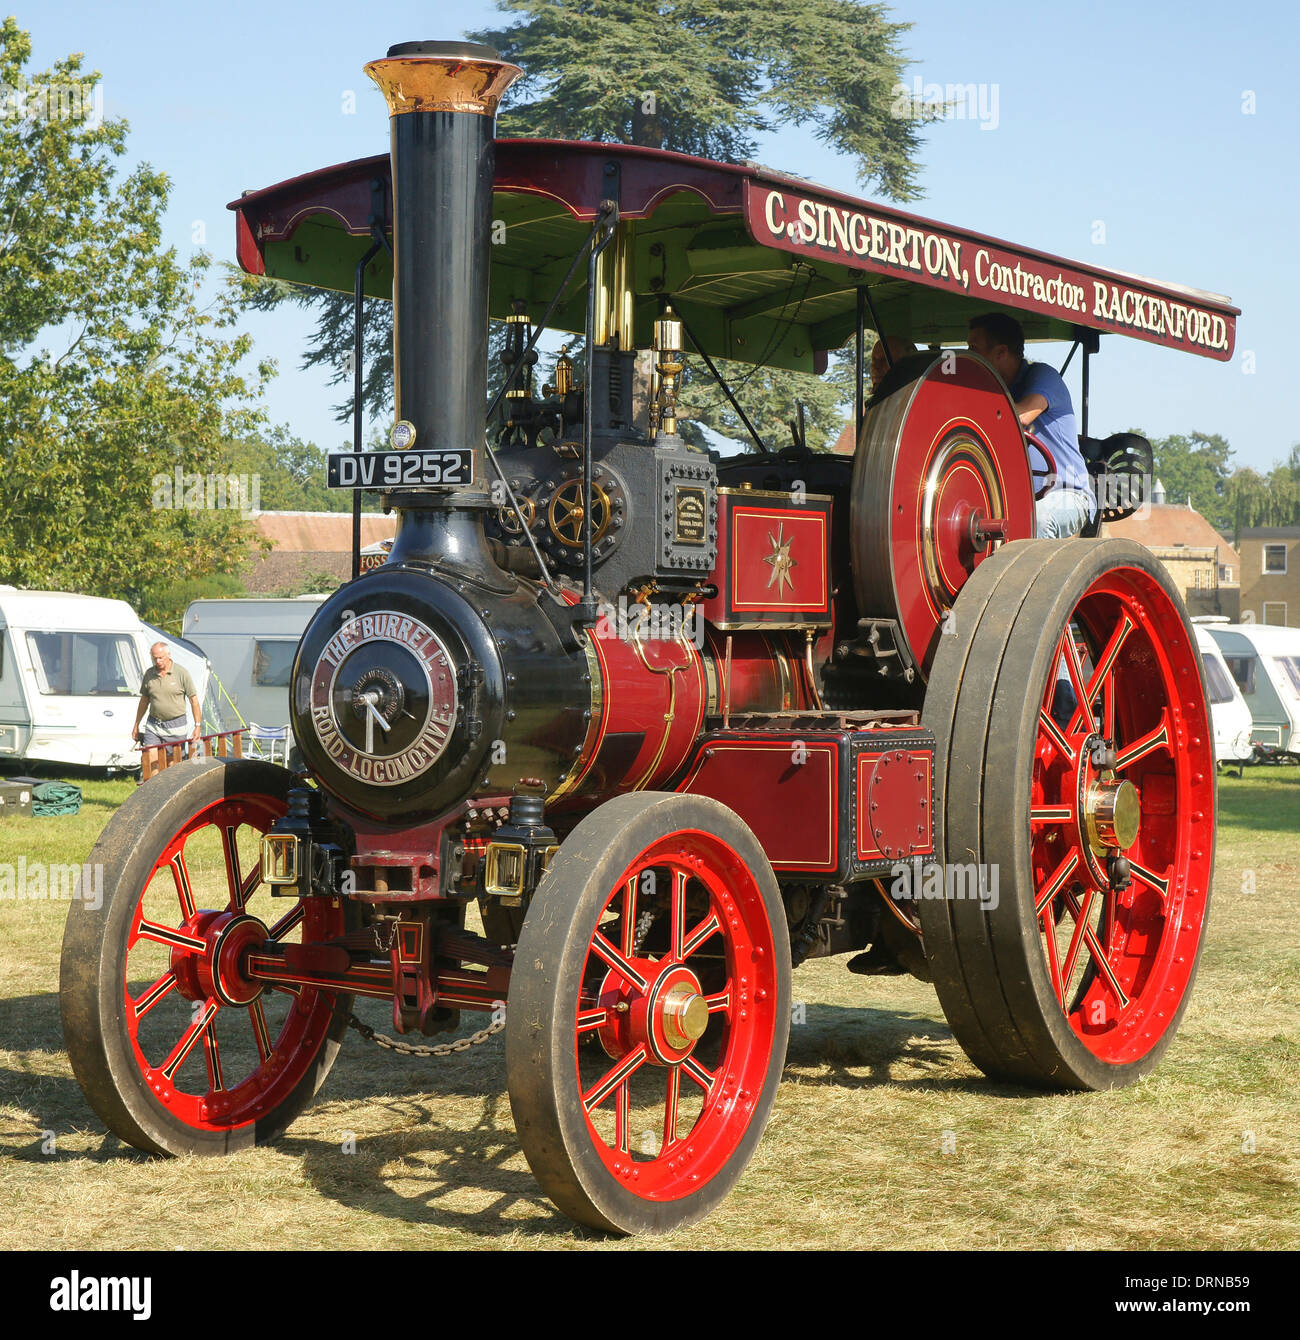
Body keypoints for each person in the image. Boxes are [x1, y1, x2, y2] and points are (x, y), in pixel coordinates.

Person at [967, 313, 1095, 539]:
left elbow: (1021, 416)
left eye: (973, 348)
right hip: (1020, 500)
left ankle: (1034, 575)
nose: (969, 356)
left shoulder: (1043, 376)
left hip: (1067, 496)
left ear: (1001, 353)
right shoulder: (990, 390)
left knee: (1038, 519)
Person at [133, 642, 201, 776]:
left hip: (176, 726)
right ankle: (153, 793)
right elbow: (144, 701)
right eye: (155, 658)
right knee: (151, 761)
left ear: (168, 655)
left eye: (160, 658)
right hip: (154, 725)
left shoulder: (181, 673)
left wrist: (197, 725)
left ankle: (168, 794)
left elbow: (194, 701)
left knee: (172, 767)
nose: (157, 661)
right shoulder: (149, 674)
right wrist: (136, 724)